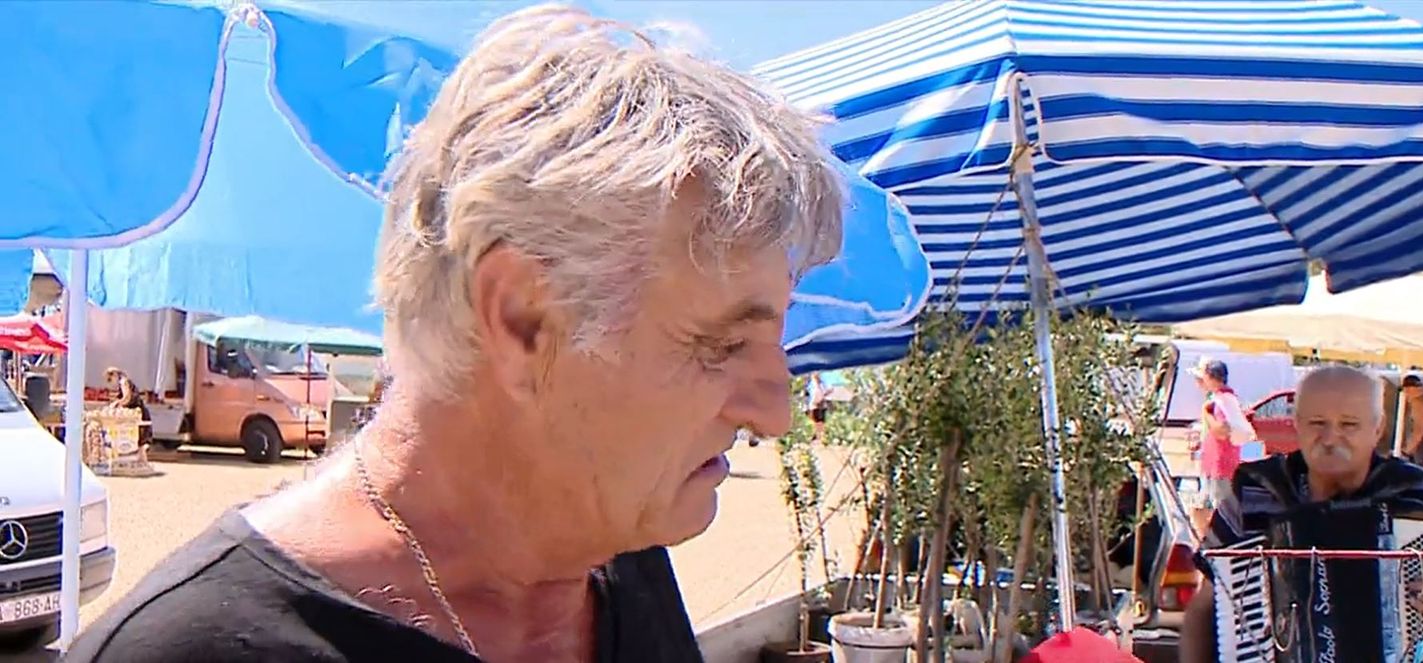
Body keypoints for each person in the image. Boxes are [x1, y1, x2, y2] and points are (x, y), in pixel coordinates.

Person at [65, 6, 843, 662]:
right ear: (523, 318)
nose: (773, 412)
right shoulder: (190, 648)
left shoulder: (621, 558)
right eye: (721, 343)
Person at [1178, 366, 1423, 663]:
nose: (1330, 438)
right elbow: (1204, 607)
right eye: (1317, 423)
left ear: (1378, 428)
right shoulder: (1256, 491)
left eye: (1348, 424)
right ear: (1297, 423)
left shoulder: (1420, 495)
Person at [1186, 357, 1255, 537]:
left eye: (1202, 377)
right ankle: (1205, 537)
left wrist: (1206, 414)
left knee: (1222, 507)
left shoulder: (1222, 401)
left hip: (1221, 464)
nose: (1199, 382)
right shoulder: (1219, 400)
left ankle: (1228, 541)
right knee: (1204, 505)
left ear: (1210, 377)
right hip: (1213, 463)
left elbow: (1223, 431)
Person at [103, 366, 152, 447]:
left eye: (110, 379)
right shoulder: (122, 382)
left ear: (114, 375)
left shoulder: (123, 382)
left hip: (138, 412)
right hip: (136, 411)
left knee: (141, 440)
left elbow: (127, 398)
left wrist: (117, 404)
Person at [805, 371, 828, 441]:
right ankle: (818, 436)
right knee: (816, 421)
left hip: (818, 405)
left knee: (819, 421)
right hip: (815, 405)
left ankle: (820, 436)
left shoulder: (820, 385)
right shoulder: (812, 384)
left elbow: (828, 390)